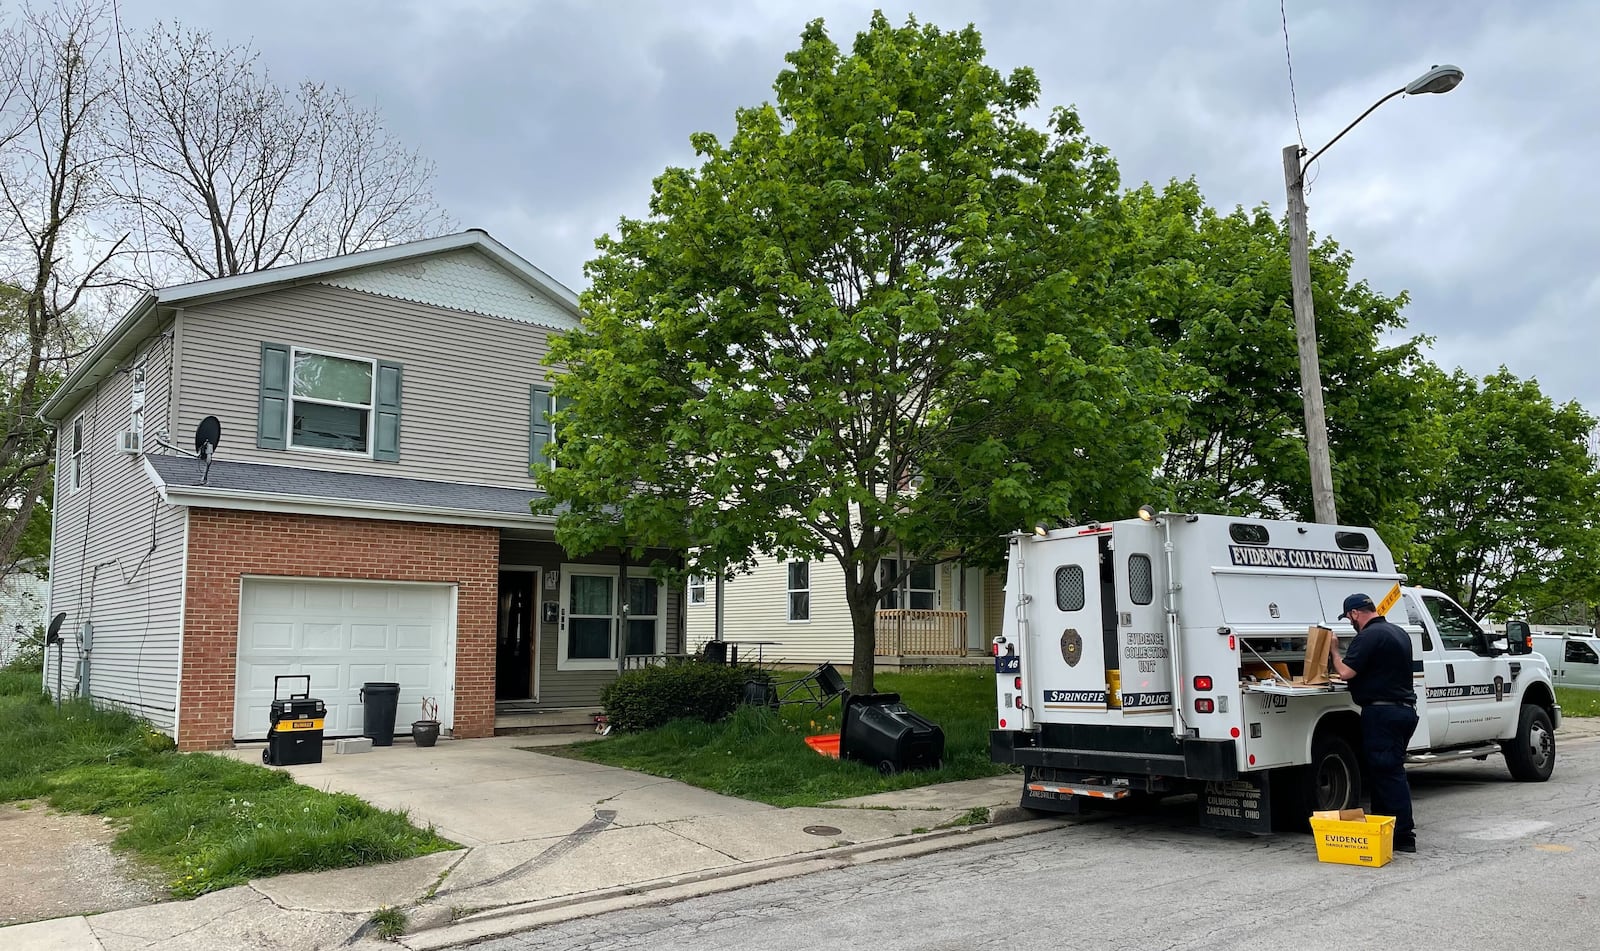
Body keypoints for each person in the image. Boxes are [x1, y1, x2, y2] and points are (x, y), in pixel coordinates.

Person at [1329, 592, 1419, 853]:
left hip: (1382, 714)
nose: (1350, 624)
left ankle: (1403, 836)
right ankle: (1385, 830)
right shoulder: (1398, 632)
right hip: (1404, 711)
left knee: (1389, 775)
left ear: (1355, 613)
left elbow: (1346, 672)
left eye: (1349, 619)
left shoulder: (1368, 635)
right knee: (1385, 774)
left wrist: (1334, 651)